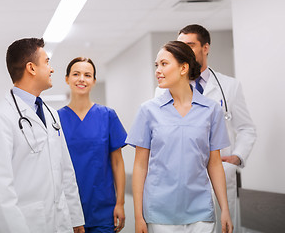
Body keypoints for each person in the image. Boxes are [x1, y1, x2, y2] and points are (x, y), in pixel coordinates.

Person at [155, 24, 257, 232]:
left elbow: (247, 128)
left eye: (190, 45)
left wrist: (236, 157)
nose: (184, 51)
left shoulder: (229, 86)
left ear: (206, 48)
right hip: (182, 179)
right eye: (180, 46)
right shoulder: (163, 90)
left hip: (221, 173)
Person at [127, 41, 233, 233]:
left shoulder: (211, 110)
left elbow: (214, 163)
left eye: (164, 64)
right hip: (159, 213)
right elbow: (140, 166)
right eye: (156, 65)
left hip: (200, 213)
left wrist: (225, 208)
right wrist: (138, 216)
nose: (158, 70)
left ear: (184, 68)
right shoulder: (148, 111)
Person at [0, 38, 85, 233]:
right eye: (47, 62)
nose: (52, 69)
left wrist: (75, 218)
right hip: (27, 224)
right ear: (31, 68)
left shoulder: (52, 114)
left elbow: (66, 171)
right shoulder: (1, 117)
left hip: (61, 222)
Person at [58, 57, 127, 233]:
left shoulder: (107, 115)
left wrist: (120, 203)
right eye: (76, 74)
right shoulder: (56, 119)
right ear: (67, 79)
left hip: (103, 210)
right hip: (68, 211)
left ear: (94, 81)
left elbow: (118, 163)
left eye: (87, 75)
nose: (82, 78)